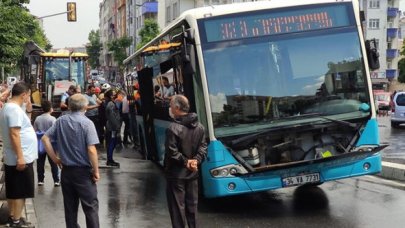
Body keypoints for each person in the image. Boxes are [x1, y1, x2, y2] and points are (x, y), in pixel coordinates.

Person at [41, 94, 100, 228]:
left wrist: (55, 159)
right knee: (90, 208)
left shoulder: (61, 121)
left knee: (70, 208)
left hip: (66, 171)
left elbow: (45, 139)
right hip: (84, 173)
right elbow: (91, 150)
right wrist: (96, 171)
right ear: (85, 107)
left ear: (69, 106)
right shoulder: (87, 123)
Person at [164, 95, 207, 228]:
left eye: (171, 106)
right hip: (192, 174)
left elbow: (172, 152)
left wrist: (186, 162)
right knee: (192, 209)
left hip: (176, 175)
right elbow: (203, 147)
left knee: (178, 211)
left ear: (177, 108)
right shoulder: (200, 127)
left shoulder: (173, 128)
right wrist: (195, 161)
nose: (170, 108)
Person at [0, 82, 37, 227]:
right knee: (20, 192)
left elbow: (25, 121)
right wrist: (21, 157)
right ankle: (16, 220)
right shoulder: (13, 110)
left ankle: (14, 217)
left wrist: (28, 109)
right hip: (20, 157)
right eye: (28, 95)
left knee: (14, 189)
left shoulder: (10, 108)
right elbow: (14, 134)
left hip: (15, 156)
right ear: (24, 94)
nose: (29, 97)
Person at [34, 100, 60, 187]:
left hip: (40, 143)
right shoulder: (53, 119)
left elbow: (35, 130)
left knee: (40, 162)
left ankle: (40, 180)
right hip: (51, 143)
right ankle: (56, 180)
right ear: (50, 109)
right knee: (53, 162)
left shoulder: (38, 118)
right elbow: (56, 132)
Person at [105, 89, 122, 166]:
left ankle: (110, 159)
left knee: (113, 142)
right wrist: (117, 127)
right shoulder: (111, 104)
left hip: (112, 127)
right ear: (111, 96)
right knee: (112, 143)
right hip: (112, 128)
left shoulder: (111, 103)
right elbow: (112, 117)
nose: (115, 94)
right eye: (113, 93)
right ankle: (110, 160)